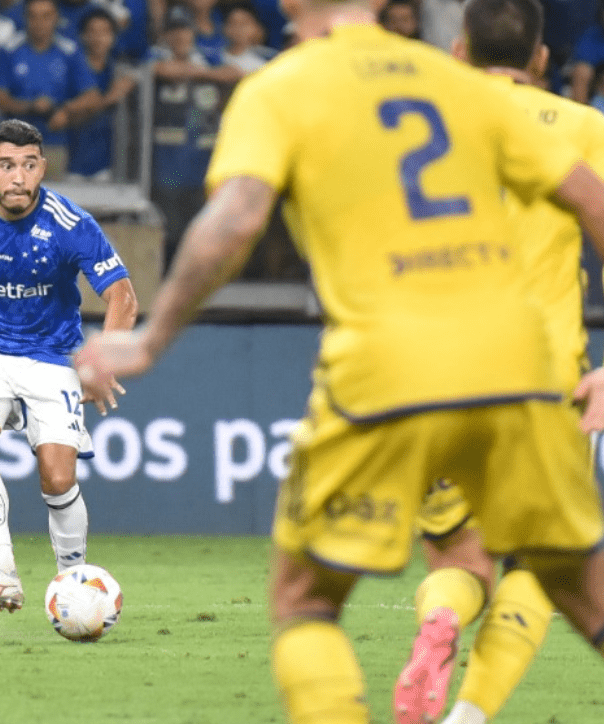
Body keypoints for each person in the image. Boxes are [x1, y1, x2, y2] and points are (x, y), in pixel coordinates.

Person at [72, 0, 604, 722]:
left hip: (388, 366)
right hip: (524, 364)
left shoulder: (283, 86)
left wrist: (150, 338)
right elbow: (591, 200)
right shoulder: (460, 86)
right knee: (576, 586)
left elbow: (236, 217)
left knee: (306, 600)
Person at [398, 4, 604, 723]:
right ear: (541, 58)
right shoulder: (582, 127)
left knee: (457, 557)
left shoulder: (408, 134)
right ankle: (470, 715)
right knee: (543, 563)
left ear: (457, 50)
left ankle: (441, 623)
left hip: (430, 373)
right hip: (542, 376)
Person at [0, 119, 137, 611]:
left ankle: (73, 582)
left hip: (50, 356)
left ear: (42, 168)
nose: (18, 177)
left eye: (28, 165)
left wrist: (103, 362)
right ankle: (0, 572)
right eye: (6, 165)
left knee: (58, 479)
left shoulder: (72, 226)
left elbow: (123, 298)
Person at [0, 0, 101, 178]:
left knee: (50, 201)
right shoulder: (8, 50)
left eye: (46, 16)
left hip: (54, 141)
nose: (39, 23)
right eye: (33, 16)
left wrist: (66, 110)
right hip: (14, 146)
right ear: (24, 17)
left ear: (56, 18)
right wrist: (30, 107)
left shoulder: (69, 51)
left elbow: (92, 97)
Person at [66, 7, 137, 180]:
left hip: (108, 166)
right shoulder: (71, 70)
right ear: (82, 36)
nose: (98, 38)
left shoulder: (118, 72)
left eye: (105, 32)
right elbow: (67, 117)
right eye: (93, 32)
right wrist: (108, 100)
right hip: (72, 165)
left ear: (113, 37)